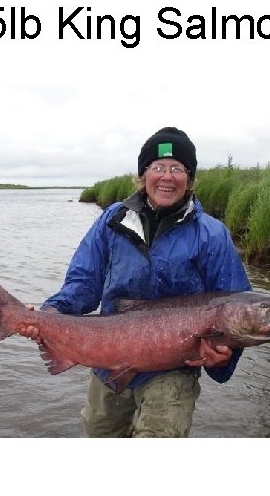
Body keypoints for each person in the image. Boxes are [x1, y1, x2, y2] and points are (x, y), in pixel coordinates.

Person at [19, 127, 252, 437]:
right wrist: (51, 312)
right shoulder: (112, 220)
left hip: (172, 369)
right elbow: (84, 281)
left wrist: (222, 358)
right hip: (109, 359)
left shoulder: (212, 234)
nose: (167, 177)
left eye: (177, 168)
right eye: (158, 167)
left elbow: (235, 306)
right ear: (144, 174)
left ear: (189, 178)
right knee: (101, 434)